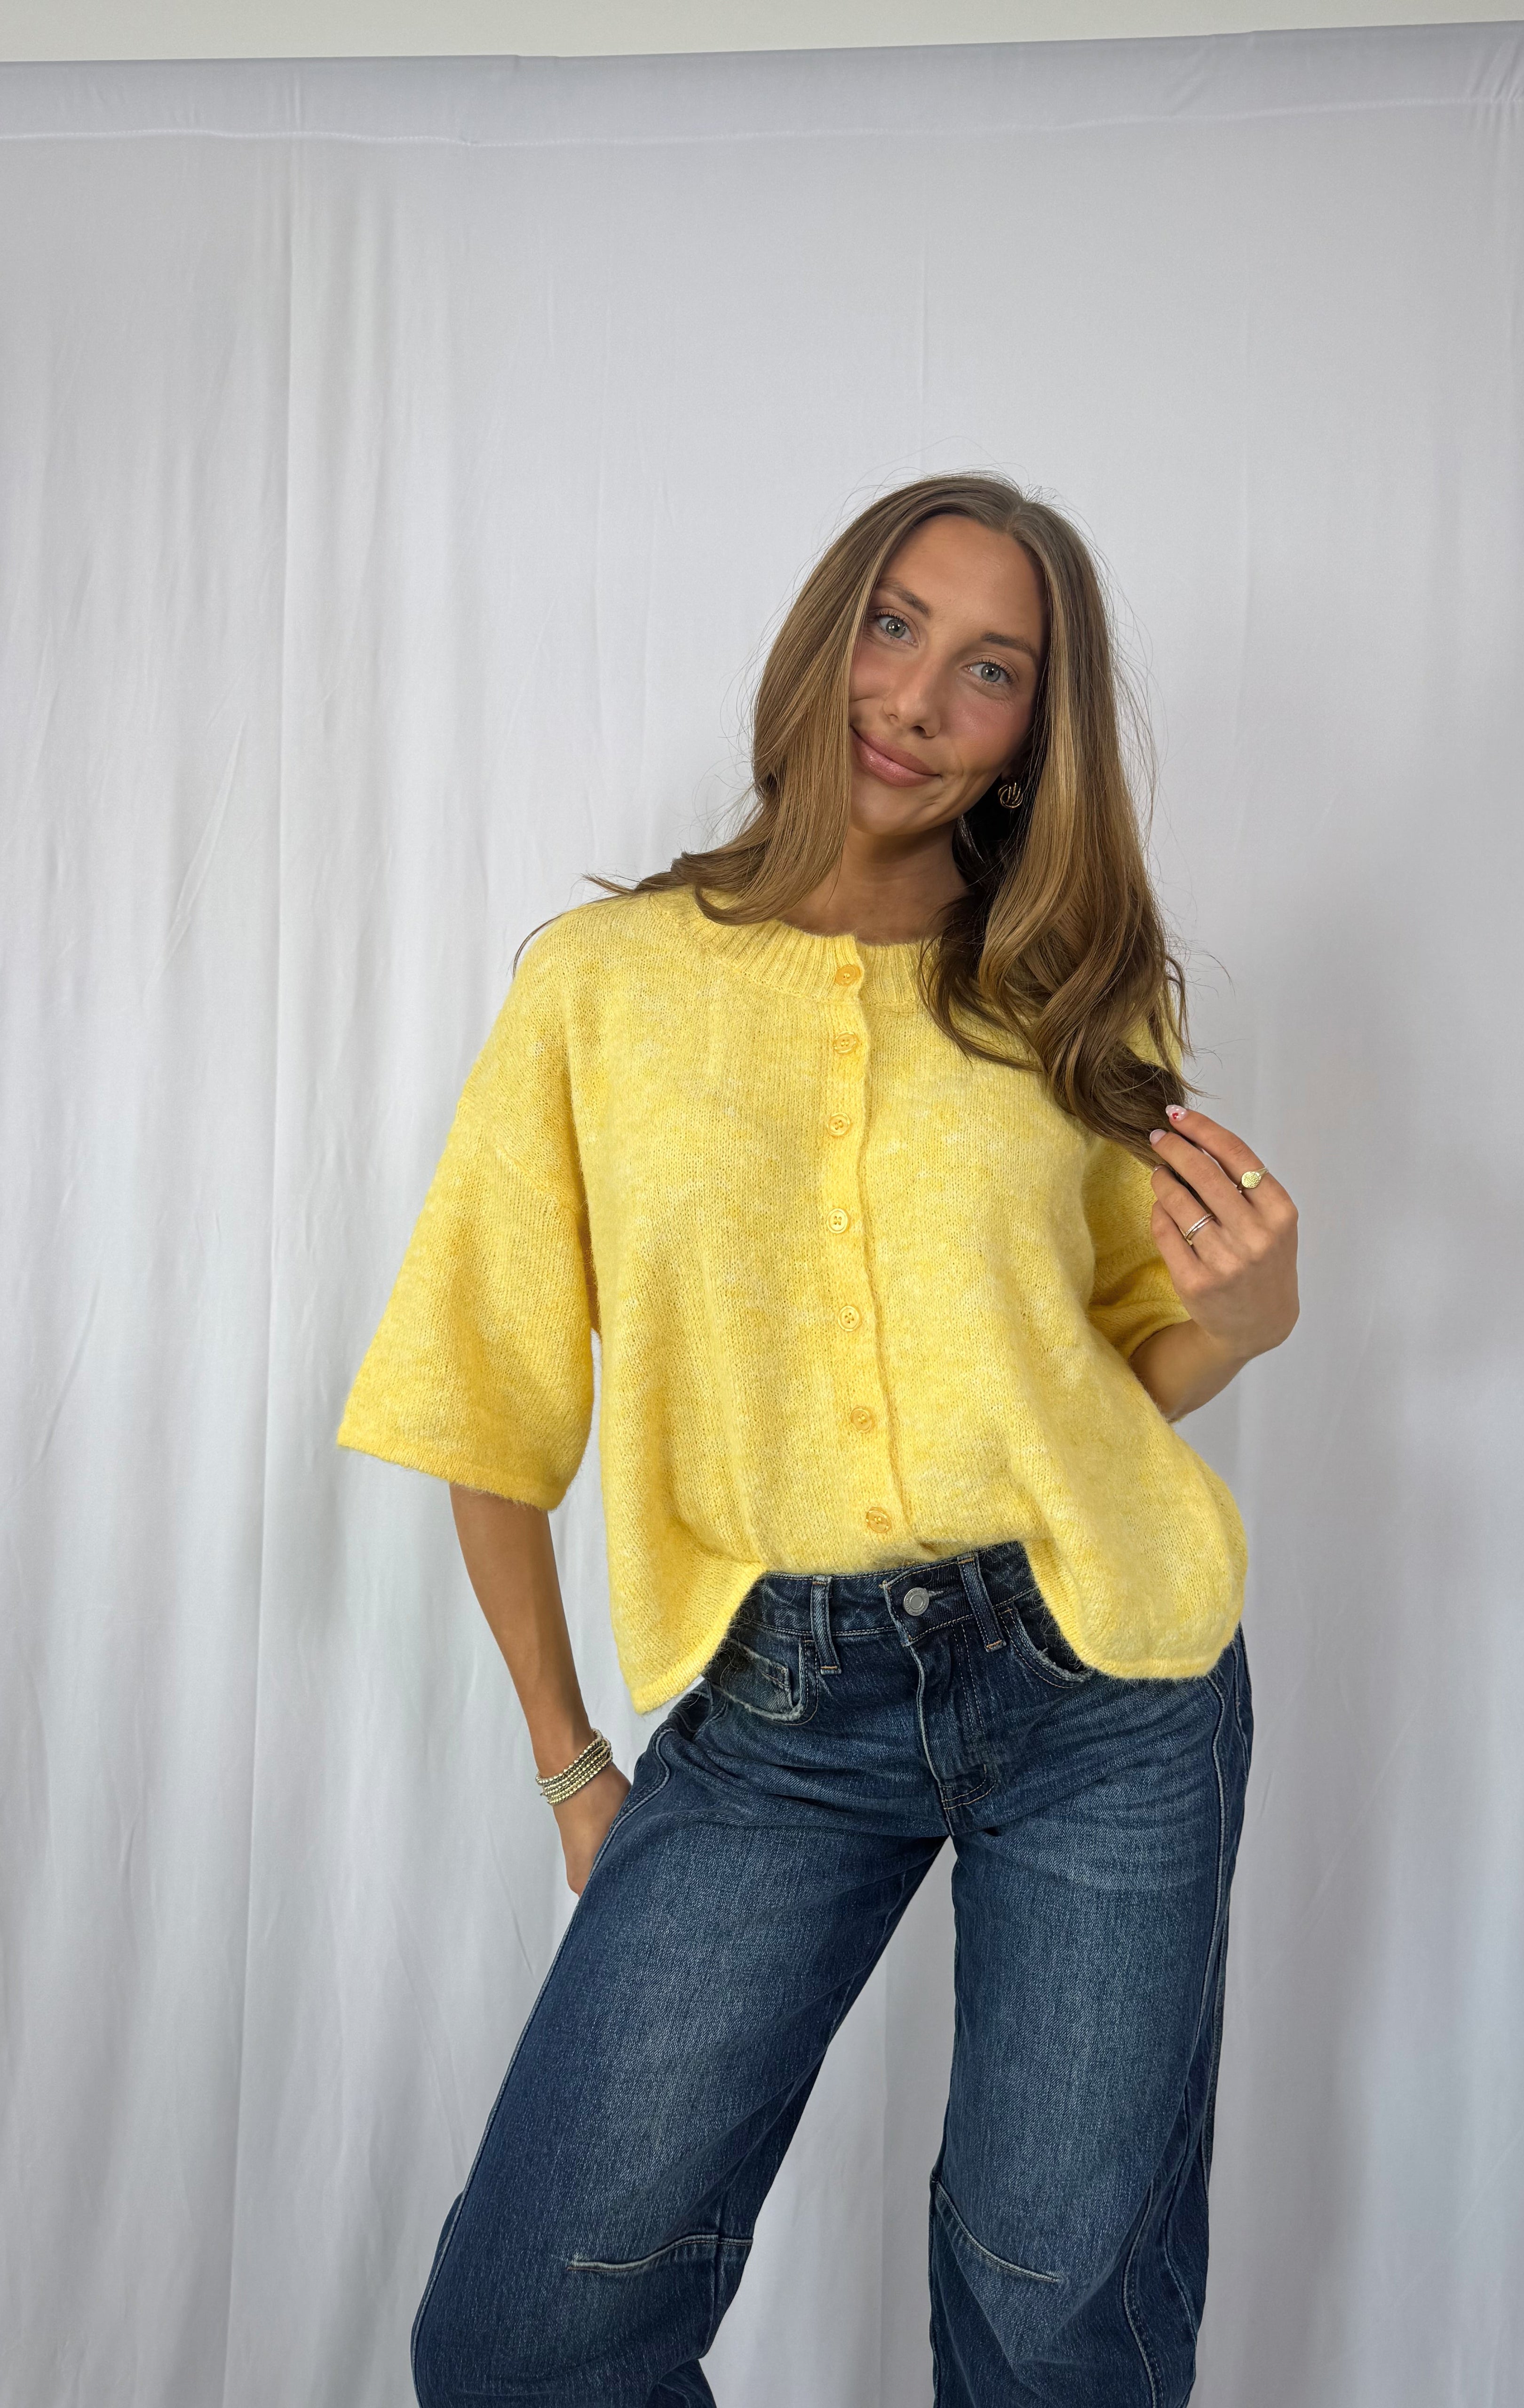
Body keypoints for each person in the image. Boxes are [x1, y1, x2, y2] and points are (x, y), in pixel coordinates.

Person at [338, 470, 1300, 2406]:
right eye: (895, 625)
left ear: (1041, 728)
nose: (918, 696)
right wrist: (570, 1766)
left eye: (991, 668)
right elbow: (485, 1398)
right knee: (525, 2335)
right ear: (824, 629)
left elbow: (1101, 1372)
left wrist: (1246, 1320)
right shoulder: (598, 990)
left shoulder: (1071, 990)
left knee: (1055, 2327)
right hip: (775, 1704)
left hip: (1106, 1675)